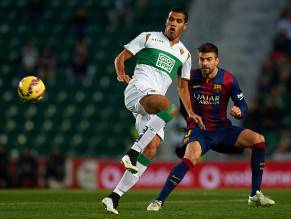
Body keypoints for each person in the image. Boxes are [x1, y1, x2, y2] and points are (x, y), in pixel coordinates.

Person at [147, 43, 275, 211]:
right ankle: (158, 201)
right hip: (199, 130)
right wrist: (190, 119)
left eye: (209, 59)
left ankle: (255, 195)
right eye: (201, 59)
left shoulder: (228, 79)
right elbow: (183, 102)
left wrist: (240, 112)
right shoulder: (190, 78)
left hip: (222, 130)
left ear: (217, 60)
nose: (205, 63)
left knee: (258, 140)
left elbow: (242, 103)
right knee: (191, 157)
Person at [102, 8, 204, 214]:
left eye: (178, 21)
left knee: (153, 147)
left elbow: (183, 87)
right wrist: (121, 73)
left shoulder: (184, 54)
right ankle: (132, 152)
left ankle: (114, 197)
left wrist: (191, 112)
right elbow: (120, 58)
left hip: (152, 104)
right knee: (168, 107)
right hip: (138, 90)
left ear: (185, 26)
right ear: (166, 21)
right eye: (170, 19)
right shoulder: (148, 37)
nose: (173, 23)